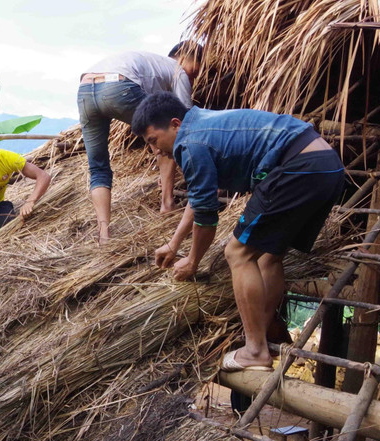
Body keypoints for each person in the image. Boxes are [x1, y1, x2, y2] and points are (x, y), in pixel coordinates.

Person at [132, 93, 346, 371]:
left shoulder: (191, 142)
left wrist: (193, 262)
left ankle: (255, 351)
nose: (156, 151)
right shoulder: (202, 124)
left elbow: (207, 219)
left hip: (296, 168)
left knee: (237, 253)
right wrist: (174, 244)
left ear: (175, 124)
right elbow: (200, 200)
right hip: (327, 166)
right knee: (269, 255)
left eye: (153, 140)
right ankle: (264, 332)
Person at [79, 42, 203, 244]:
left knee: (98, 166)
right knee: (168, 136)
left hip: (85, 89)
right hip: (119, 86)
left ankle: (104, 236)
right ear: (185, 56)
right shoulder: (177, 70)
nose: (193, 77)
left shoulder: (153, 66)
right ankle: (167, 203)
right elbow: (185, 121)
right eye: (195, 70)